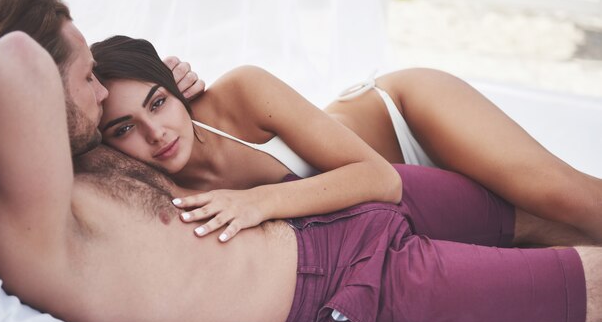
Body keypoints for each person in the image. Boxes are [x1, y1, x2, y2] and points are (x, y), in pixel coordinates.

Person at [0, 0, 601, 322]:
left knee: (570, 208)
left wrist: (158, 81)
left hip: (364, 174)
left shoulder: (94, 146)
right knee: (581, 282)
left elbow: (69, 86)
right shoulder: (39, 206)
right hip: (342, 278)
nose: (97, 89)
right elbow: (10, 66)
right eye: (85, 76)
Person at [91, 37, 602, 244]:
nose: (155, 133)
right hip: (416, 209)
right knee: (558, 240)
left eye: (157, 102)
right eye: (125, 128)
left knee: (561, 195)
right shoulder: (144, 186)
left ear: (176, 90)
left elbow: (378, 176)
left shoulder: (241, 92)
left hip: (407, 119)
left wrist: (259, 201)